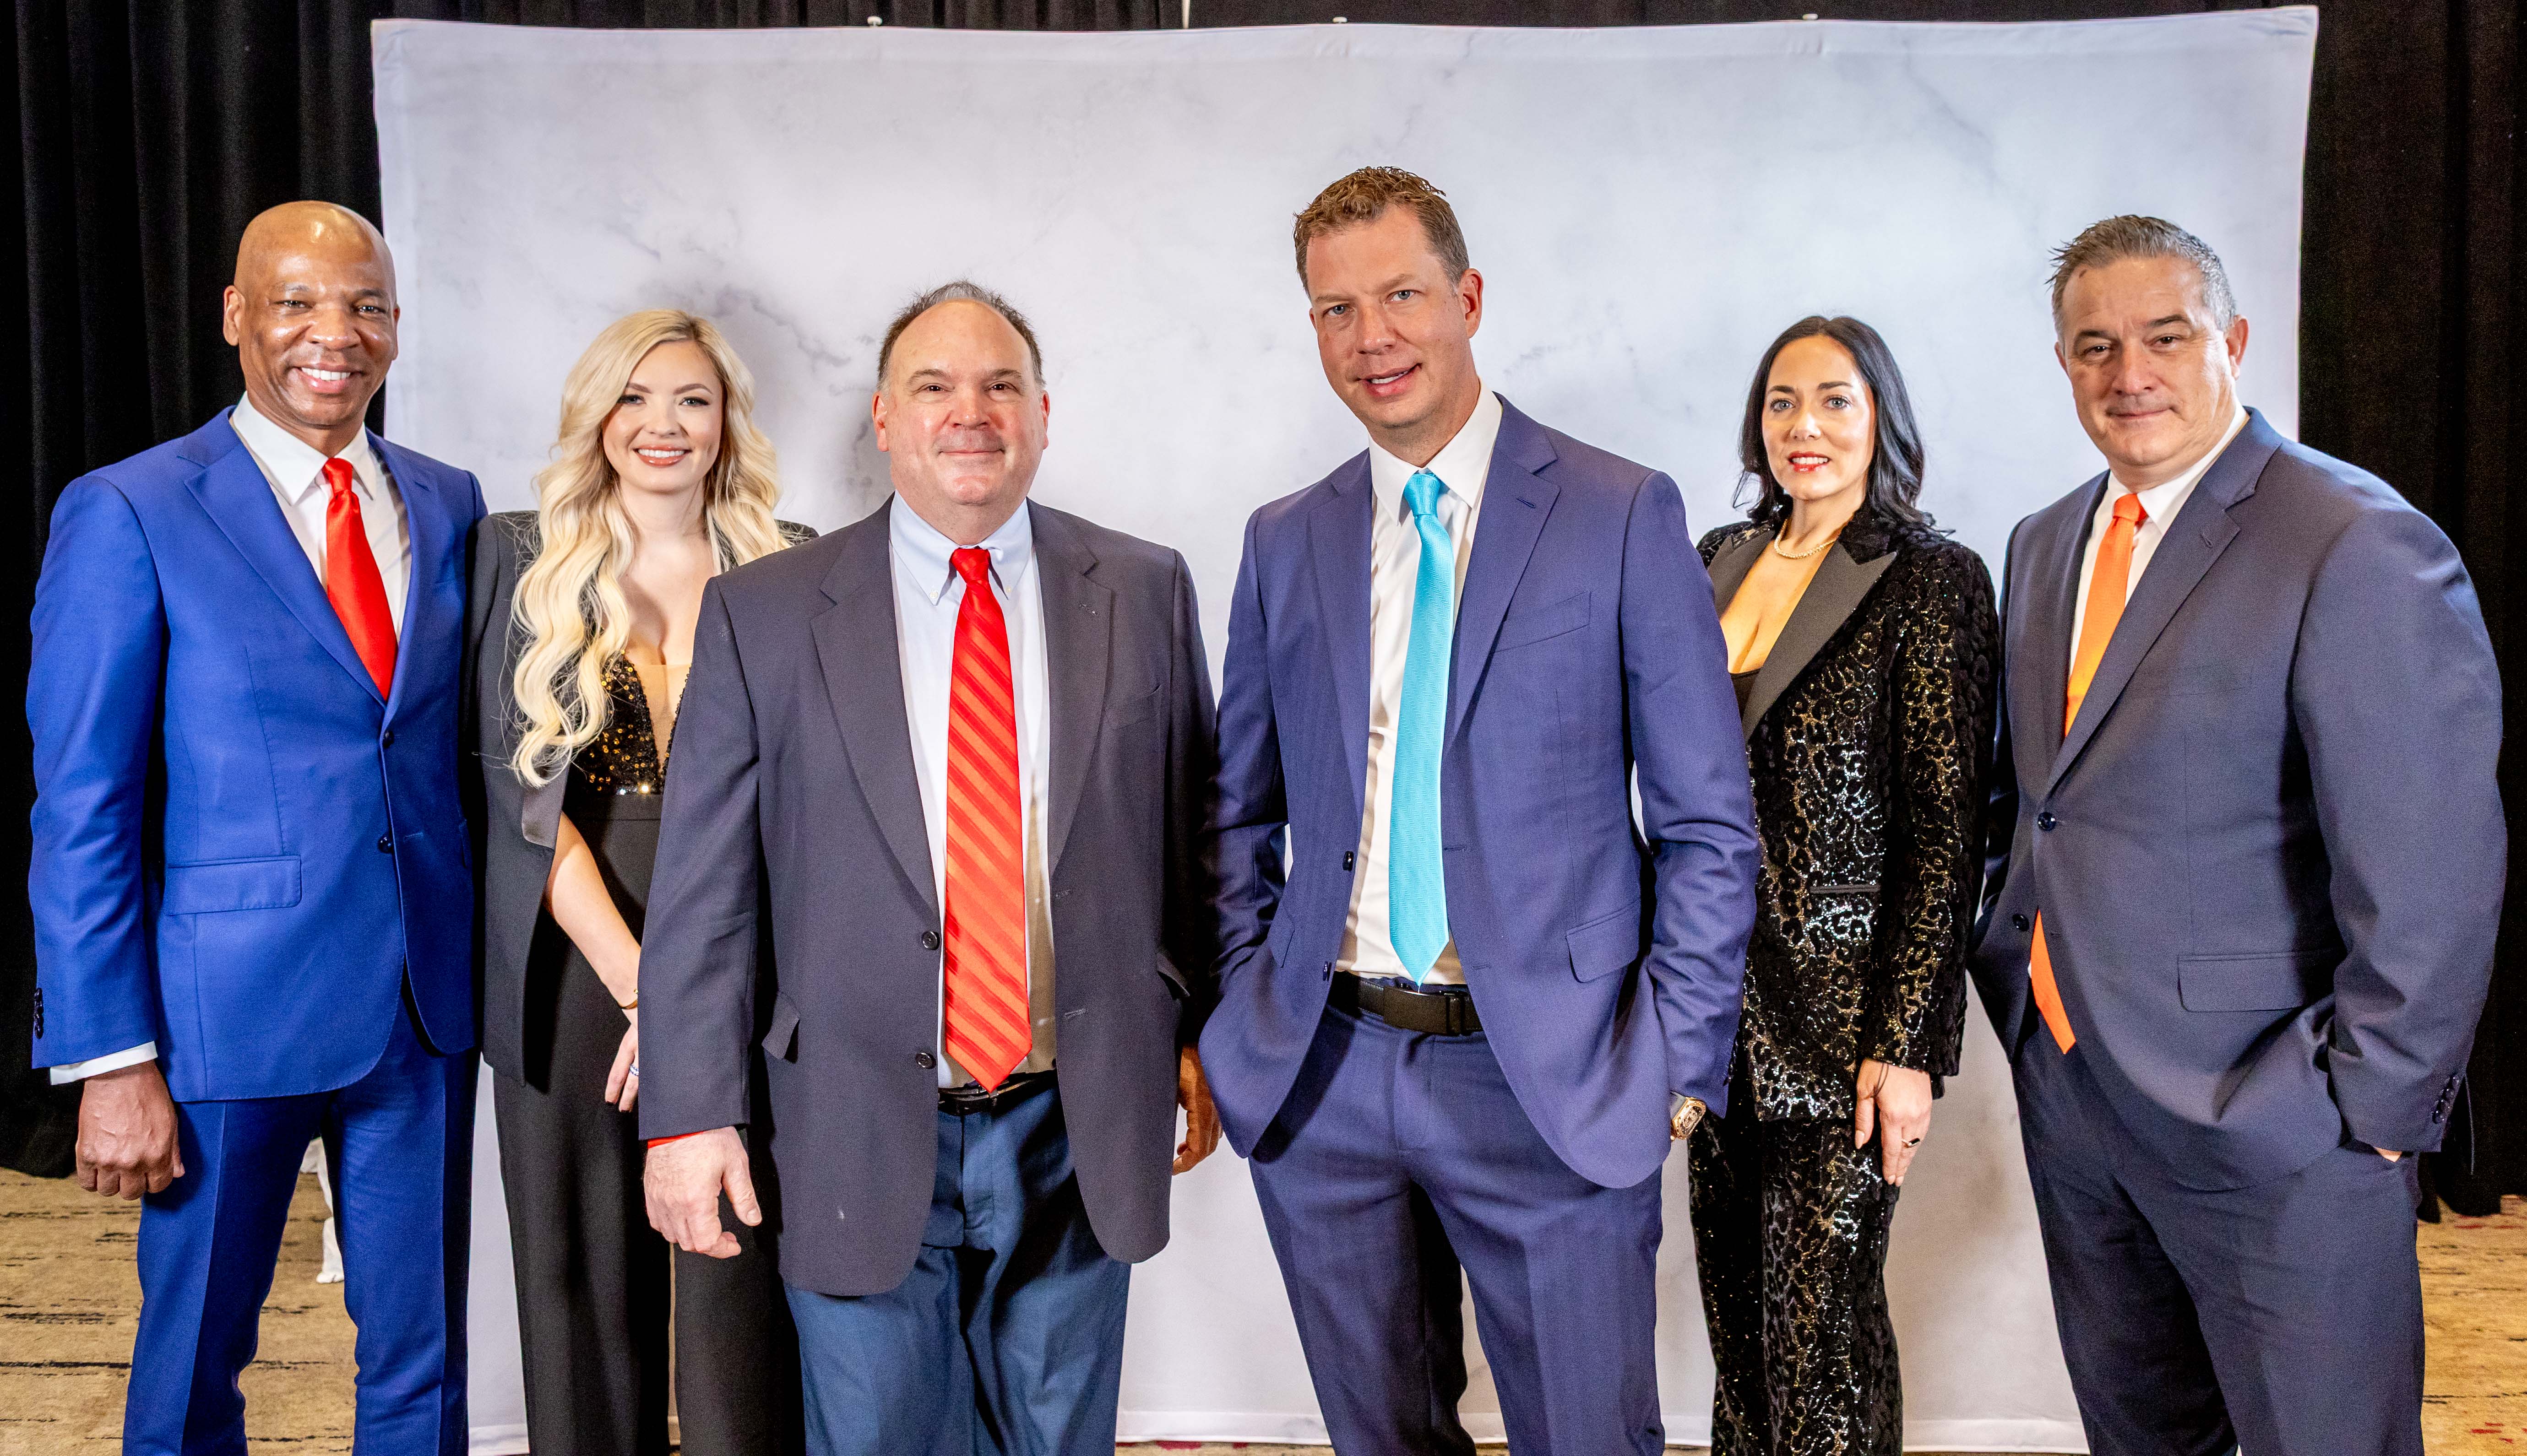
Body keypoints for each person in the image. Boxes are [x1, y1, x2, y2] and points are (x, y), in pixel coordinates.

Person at [1198, 167, 1760, 1454]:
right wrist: (1245, 1011)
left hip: (1550, 1077)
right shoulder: (1285, 539)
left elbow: (1708, 824)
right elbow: (1236, 813)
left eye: (1401, 295)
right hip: (1325, 1076)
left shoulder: (1620, 512)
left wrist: (1675, 1065)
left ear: (1469, 297)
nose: (1373, 336)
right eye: (1336, 310)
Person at [635, 281, 1222, 1456]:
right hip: (849, 1117)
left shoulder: (1143, 587)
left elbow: (1195, 836)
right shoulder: (763, 612)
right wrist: (687, 1117)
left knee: (1058, 1441)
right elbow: (702, 895)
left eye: (1003, 386)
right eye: (935, 386)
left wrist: (1205, 1032)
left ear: (1044, 414)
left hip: (1075, 1119)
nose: (972, 412)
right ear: (884, 417)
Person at [1972, 216, 2505, 1456]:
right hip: (2077, 1101)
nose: (2130, 374)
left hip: (2283, 1126)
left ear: (2235, 342)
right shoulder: (2045, 543)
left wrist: (2370, 1110)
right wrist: (2020, 983)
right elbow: (2037, 801)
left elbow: (2430, 868)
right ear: (2063, 364)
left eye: (2167, 336)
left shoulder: (2354, 540)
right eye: (2095, 346)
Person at [27, 201, 485, 1454]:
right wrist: (111, 1056)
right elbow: (83, 808)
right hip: (220, 1021)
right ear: (237, 317)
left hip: (422, 1012)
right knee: (194, 1366)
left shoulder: (449, 501)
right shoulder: (130, 509)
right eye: (296, 302)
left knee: (426, 1366)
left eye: (366, 305)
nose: (335, 333)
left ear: (397, 326)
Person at [467, 310, 811, 1456]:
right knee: (580, 1292)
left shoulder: (791, 557)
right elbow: (520, 806)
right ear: (597, 414)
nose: (663, 424)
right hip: (574, 968)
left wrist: (695, 1000)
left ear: (727, 422)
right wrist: (642, 989)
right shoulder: (518, 556)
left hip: (748, 957)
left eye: (693, 400)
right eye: (635, 397)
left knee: (738, 1281)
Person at [1689, 316, 1996, 1455]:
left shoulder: (1932, 579)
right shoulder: (1715, 557)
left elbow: (1947, 833)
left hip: (1844, 1035)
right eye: (1782, 401)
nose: (1803, 426)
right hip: (1711, 1017)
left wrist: (1908, 1047)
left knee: (1821, 1349)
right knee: (1739, 1336)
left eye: (1834, 400)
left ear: (1882, 420)